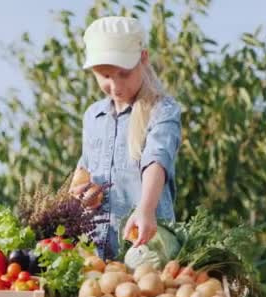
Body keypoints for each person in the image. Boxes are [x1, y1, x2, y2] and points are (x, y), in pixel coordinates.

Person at [70, 16, 182, 260]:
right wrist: (81, 193)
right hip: (97, 249)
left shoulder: (162, 110)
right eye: (105, 76)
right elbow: (85, 170)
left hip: (146, 245)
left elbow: (156, 160)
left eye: (124, 74)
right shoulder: (93, 116)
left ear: (143, 58)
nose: (116, 86)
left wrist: (145, 208)